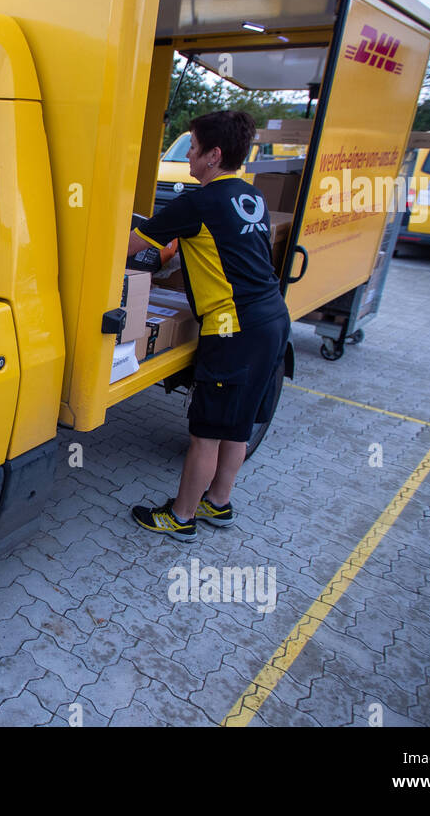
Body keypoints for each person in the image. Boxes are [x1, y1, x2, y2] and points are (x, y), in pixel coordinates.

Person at [126, 110, 291, 542]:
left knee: (206, 433)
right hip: (272, 319)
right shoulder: (248, 195)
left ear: (213, 156)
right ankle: (217, 503)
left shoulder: (198, 203)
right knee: (237, 423)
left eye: (194, 149)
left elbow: (132, 246)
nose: (191, 158)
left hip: (233, 330)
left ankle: (180, 517)